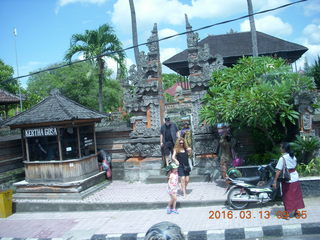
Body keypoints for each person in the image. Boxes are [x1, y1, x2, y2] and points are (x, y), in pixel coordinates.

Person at [272, 142, 305, 219]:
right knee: (296, 195)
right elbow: (294, 165)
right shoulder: (293, 156)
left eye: (281, 147)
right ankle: (297, 212)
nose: (280, 149)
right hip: (295, 177)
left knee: (287, 196)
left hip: (288, 179)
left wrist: (275, 181)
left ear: (284, 149)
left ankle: (286, 214)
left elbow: (278, 171)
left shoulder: (282, 158)